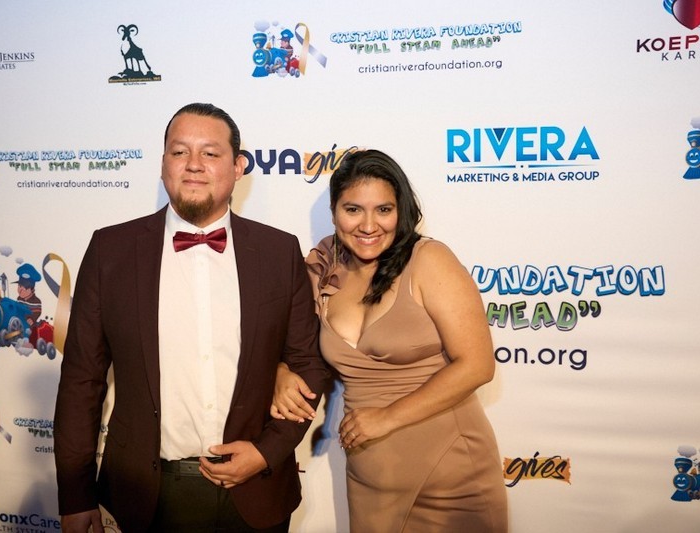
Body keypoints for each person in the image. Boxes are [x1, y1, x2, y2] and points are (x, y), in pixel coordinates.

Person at [54, 102, 329, 533]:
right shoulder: (111, 251)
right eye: (180, 152)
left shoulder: (278, 251)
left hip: (259, 492)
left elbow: (309, 363)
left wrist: (266, 452)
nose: (194, 164)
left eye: (210, 153)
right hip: (147, 495)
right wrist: (75, 495)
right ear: (163, 163)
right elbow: (81, 381)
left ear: (238, 167)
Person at [271, 149, 508, 532]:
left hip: (451, 472)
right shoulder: (322, 267)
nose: (368, 225)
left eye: (383, 210)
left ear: (401, 211)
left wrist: (386, 418)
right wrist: (281, 369)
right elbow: (287, 338)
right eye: (353, 209)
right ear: (334, 211)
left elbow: (477, 365)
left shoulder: (429, 260)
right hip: (372, 476)